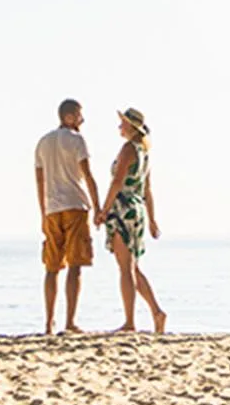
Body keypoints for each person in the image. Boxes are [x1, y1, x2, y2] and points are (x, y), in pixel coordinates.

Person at [35, 98, 100, 335]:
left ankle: (49, 322)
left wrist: (43, 213)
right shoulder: (77, 140)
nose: (82, 120)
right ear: (69, 116)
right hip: (75, 205)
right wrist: (97, 207)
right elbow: (88, 175)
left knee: (51, 267)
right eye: (79, 115)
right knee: (75, 265)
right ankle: (70, 321)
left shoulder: (43, 142)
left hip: (52, 209)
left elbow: (39, 181)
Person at [103, 107, 167, 333]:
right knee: (133, 268)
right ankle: (157, 313)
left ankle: (130, 322)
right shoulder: (144, 152)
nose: (119, 126)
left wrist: (104, 210)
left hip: (124, 209)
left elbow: (117, 182)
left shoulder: (129, 149)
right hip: (137, 209)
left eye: (122, 123)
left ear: (131, 126)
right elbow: (147, 190)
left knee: (125, 269)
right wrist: (151, 219)